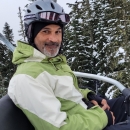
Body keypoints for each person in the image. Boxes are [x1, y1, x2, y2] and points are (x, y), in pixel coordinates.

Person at [8, 0, 128, 130]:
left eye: (58, 32)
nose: (53, 39)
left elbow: (66, 92)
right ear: (31, 34)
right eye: (46, 31)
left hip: (87, 114)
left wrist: (88, 96)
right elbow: (59, 127)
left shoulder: (51, 63)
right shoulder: (27, 78)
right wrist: (104, 117)